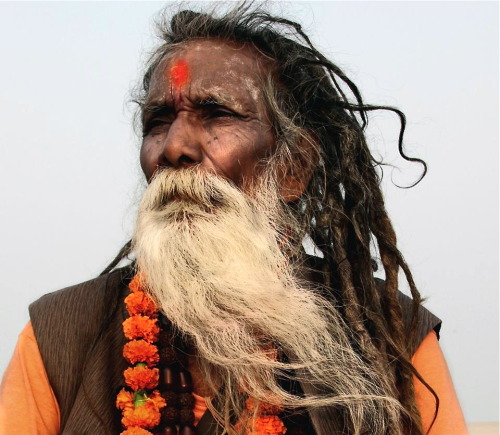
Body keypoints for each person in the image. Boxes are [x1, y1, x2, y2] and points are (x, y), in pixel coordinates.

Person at [0, 4, 467, 435]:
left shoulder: (394, 339)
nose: (173, 148)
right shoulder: (62, 333)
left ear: (293, 168)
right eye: (158, 121)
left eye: (216, 114)